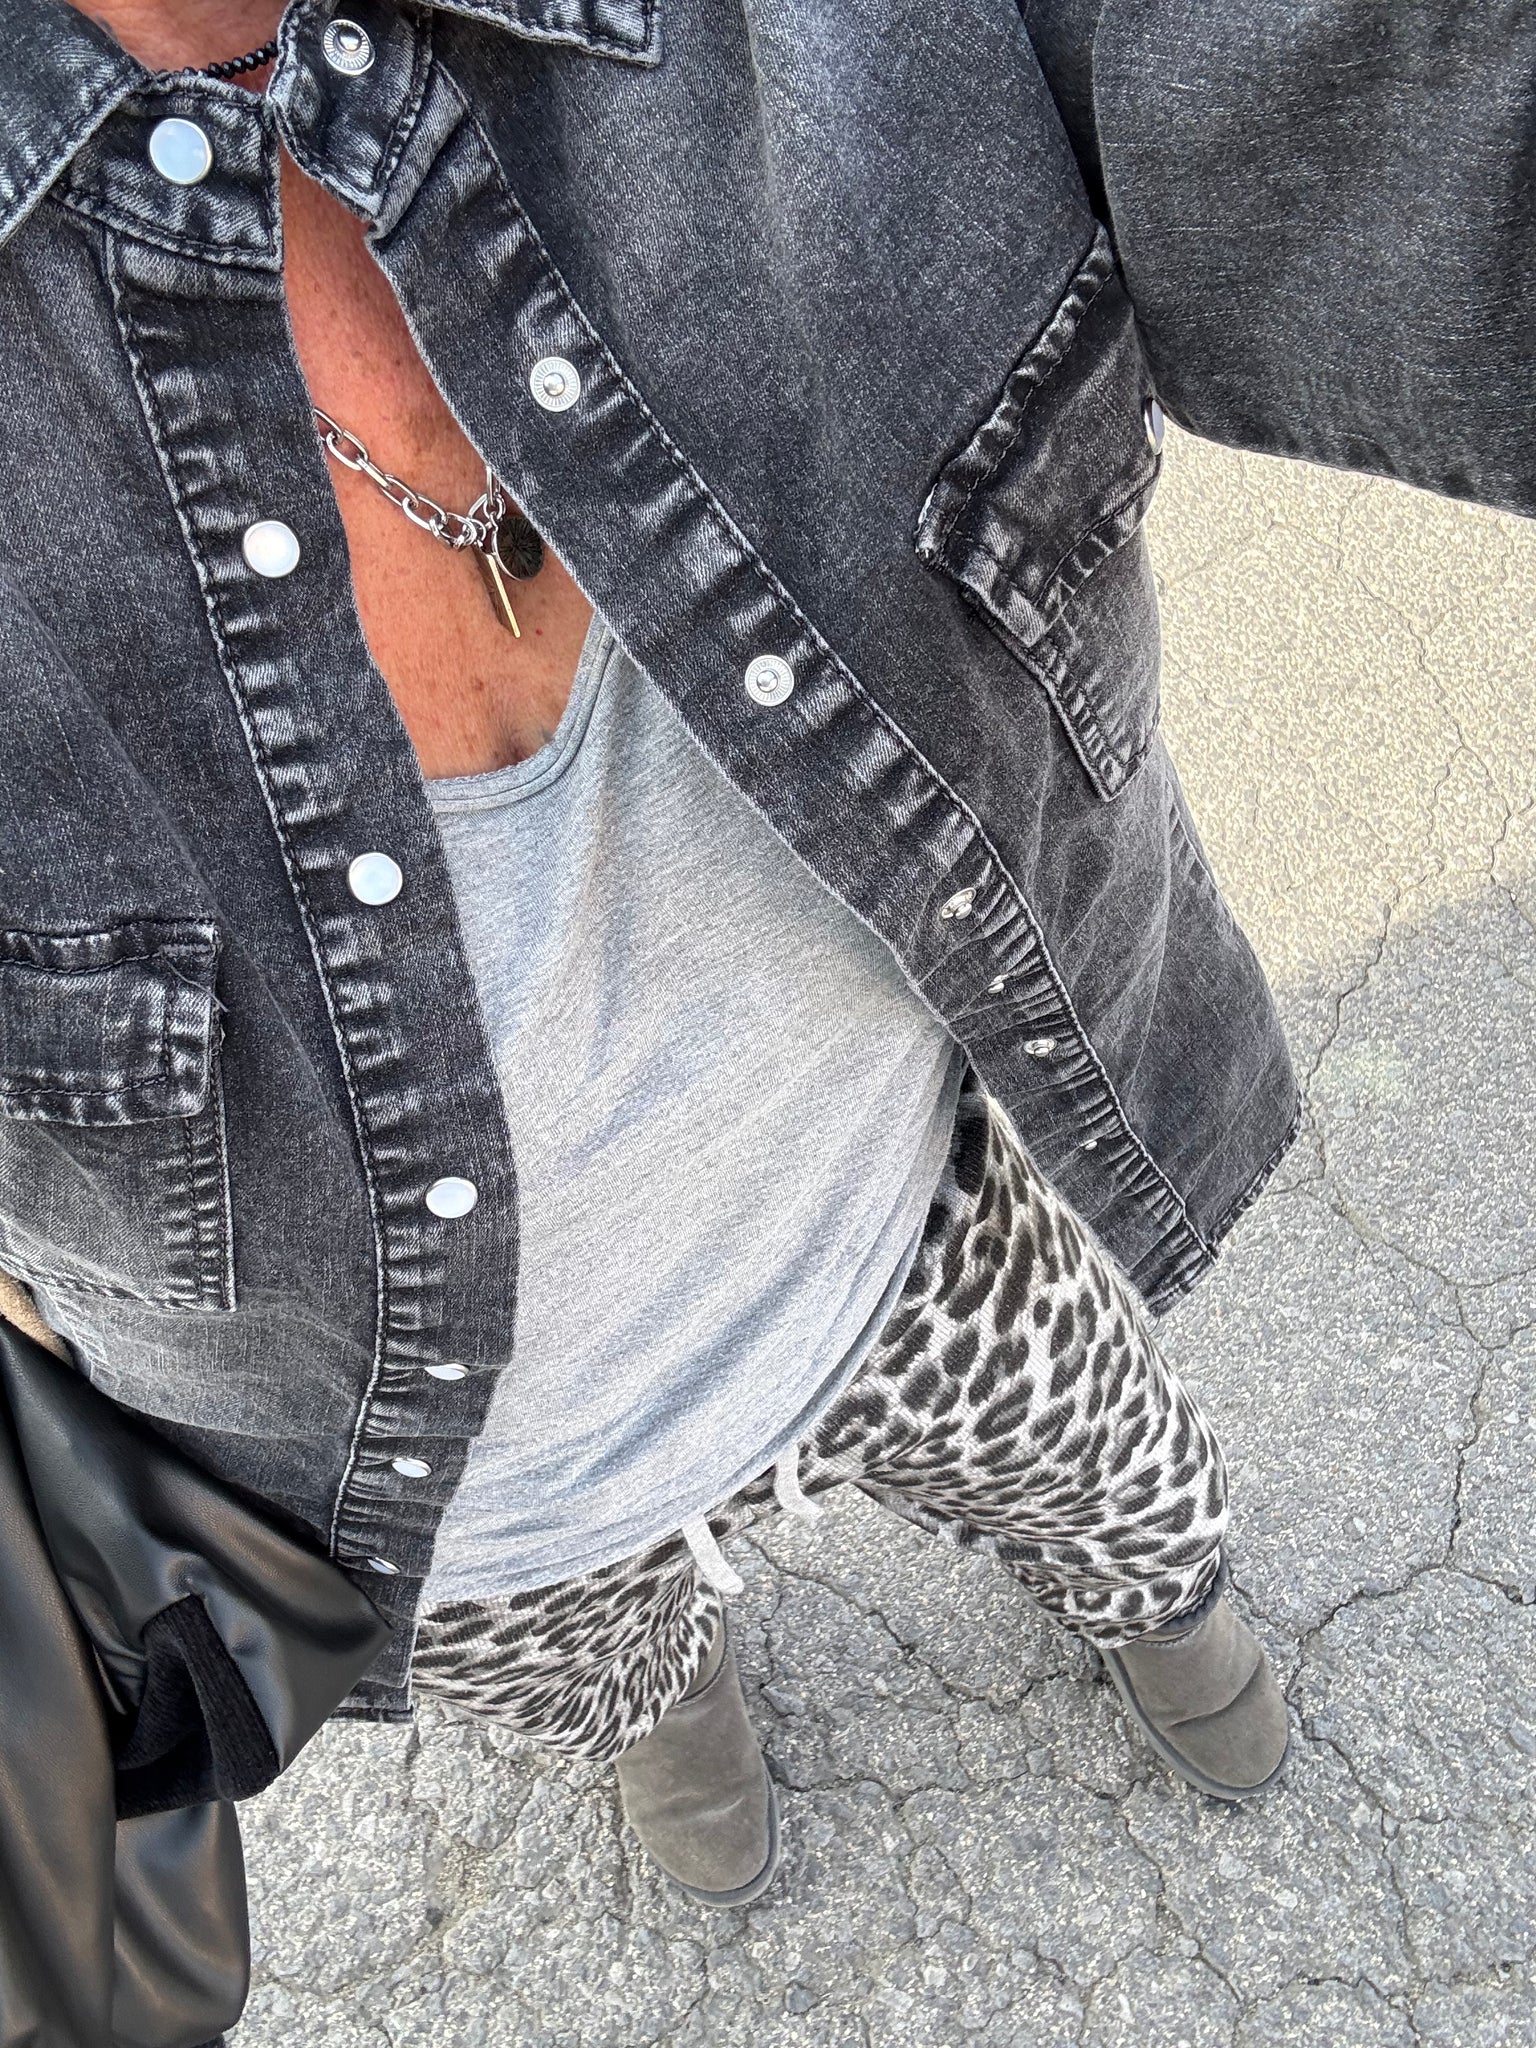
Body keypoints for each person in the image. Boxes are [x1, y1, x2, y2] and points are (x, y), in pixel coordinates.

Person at [6, 0, 1521, 1924]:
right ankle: (669, 1704)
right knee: (601, 1674)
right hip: (451, 1492)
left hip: (901, 1225)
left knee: (1115, 1470)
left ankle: (1161, 1603)